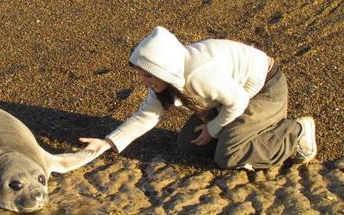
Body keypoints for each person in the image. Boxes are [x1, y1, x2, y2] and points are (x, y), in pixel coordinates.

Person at [79, 26, 317, 170]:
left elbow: (238, 102)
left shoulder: (198, 75)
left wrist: (213, 128)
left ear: (162, 70)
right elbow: (146, 116)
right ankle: (247, 133)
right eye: (142, 75)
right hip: (229, 97)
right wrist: (108, 143)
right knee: (187, 143)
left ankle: (295, 133)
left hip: (264, 89)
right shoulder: (167, 76)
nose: (145, 82)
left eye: (148, 76)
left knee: (228, 156)